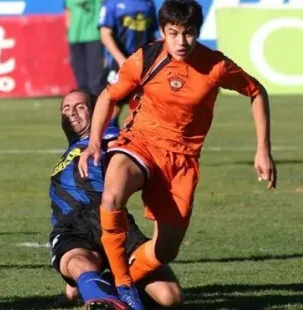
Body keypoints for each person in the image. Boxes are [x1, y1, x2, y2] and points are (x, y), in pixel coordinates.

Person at [78, 0, 277, 308]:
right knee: (112, 197)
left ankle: (119, 274)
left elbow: (256, 91)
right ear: (162, 32)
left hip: (181, 161)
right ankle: (125, 286)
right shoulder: (146, 58)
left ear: (198, 32)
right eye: (173, 33)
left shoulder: (216, 65)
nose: (181, 42)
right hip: (139, 143)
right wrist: (93, 142)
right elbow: (107, 97)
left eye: (188, 33)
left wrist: (263, 149)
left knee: (166, 250)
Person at [50, 90, 183, 309]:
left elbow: (127, 153)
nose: (71, 112)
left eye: (80, 107)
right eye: (66, 108)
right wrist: (71, 289)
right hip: (73, 226)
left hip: (111, 216)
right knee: (79, 262)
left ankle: (104, 286)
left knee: (171, 297)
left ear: (97, 112)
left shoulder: (108, 137)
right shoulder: (71, 150)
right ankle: (100, 297)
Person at [98, 0, 158, 130]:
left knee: (146, 103)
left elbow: (152, 34)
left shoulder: (148, 3)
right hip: (119, 63)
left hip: (144, 63)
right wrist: (121, 60)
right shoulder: (112, 4)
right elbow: (105, 34)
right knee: (114, 103)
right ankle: (107, 138)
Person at [65, 0, 106, 98]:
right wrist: (68, 33)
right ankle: (85, 104)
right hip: (74, 38)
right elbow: (68, 13)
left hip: (93, 36)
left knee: (95, 80)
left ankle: (97, 106)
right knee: (81, 79)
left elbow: (102, 10)